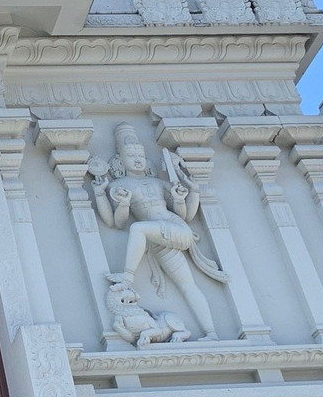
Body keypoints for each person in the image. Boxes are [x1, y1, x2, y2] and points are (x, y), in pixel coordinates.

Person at [91, 124, 227, 340]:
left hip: (174, 228)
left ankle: (127, 276)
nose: (137, 158)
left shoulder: (158, 183)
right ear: (119, 160)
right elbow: (116, 221)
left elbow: (186, 215)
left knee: (138, 228)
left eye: (140, 154)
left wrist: (188, 193)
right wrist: (110, 198)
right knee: (187, 285)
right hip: (158, 241)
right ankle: (211, 332)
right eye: (130, 154)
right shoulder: (120, 185)